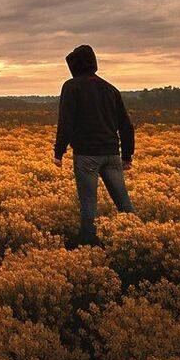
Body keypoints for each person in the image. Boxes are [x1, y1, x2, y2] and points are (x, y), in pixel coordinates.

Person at [52, 44, 134, 243]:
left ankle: (89, 247)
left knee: (89, 205)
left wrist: (58, 152)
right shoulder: (110, 89)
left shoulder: (71, 87)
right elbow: (126, 125)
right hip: (112, 154)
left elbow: (66, 122)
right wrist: (127, 155)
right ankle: (137, 237)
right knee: (124, 203)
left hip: (87, 155)